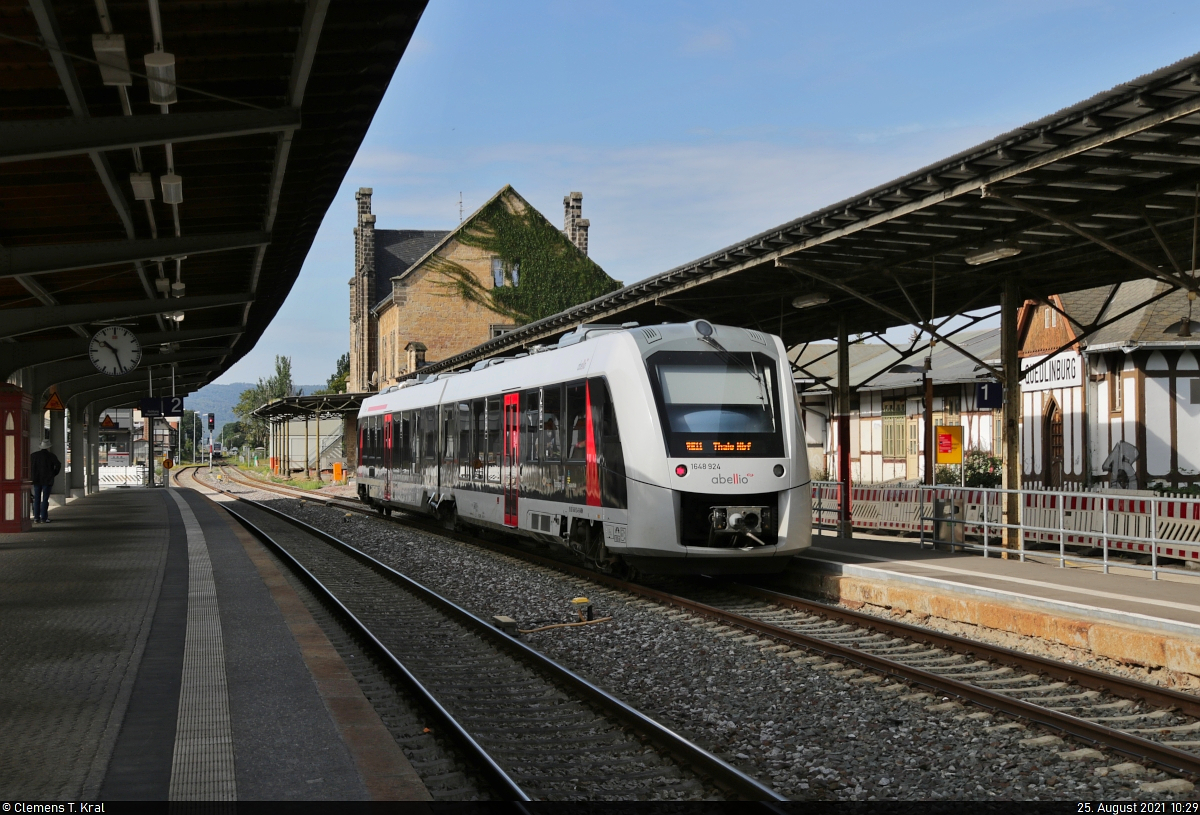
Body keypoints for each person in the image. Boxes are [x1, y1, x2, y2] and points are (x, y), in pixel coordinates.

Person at [31, 439, 61, 524]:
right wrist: (53, 474)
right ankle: (44, 518)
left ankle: (36, 518)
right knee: (45, 499)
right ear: (48, 447)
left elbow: (29, 467)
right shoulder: (51, 456)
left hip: (36, 480)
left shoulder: (33, 455)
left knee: (37, 498)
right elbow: (58, 465)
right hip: (48, 480)